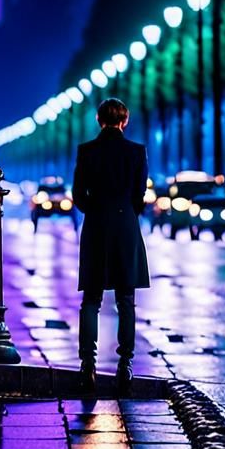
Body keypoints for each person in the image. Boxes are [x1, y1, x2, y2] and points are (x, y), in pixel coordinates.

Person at [72, 96, 150, 391]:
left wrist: (97, 209)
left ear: (99, 120)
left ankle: (88, 364)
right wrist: (125, 212)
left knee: (91, 300)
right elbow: (139, 195)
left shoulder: (86, 151)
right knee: (126, 300)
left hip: (96, 226)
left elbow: (79, 195)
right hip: (126, 226)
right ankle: (125, 364)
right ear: (124, 121)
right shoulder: (136, 152)